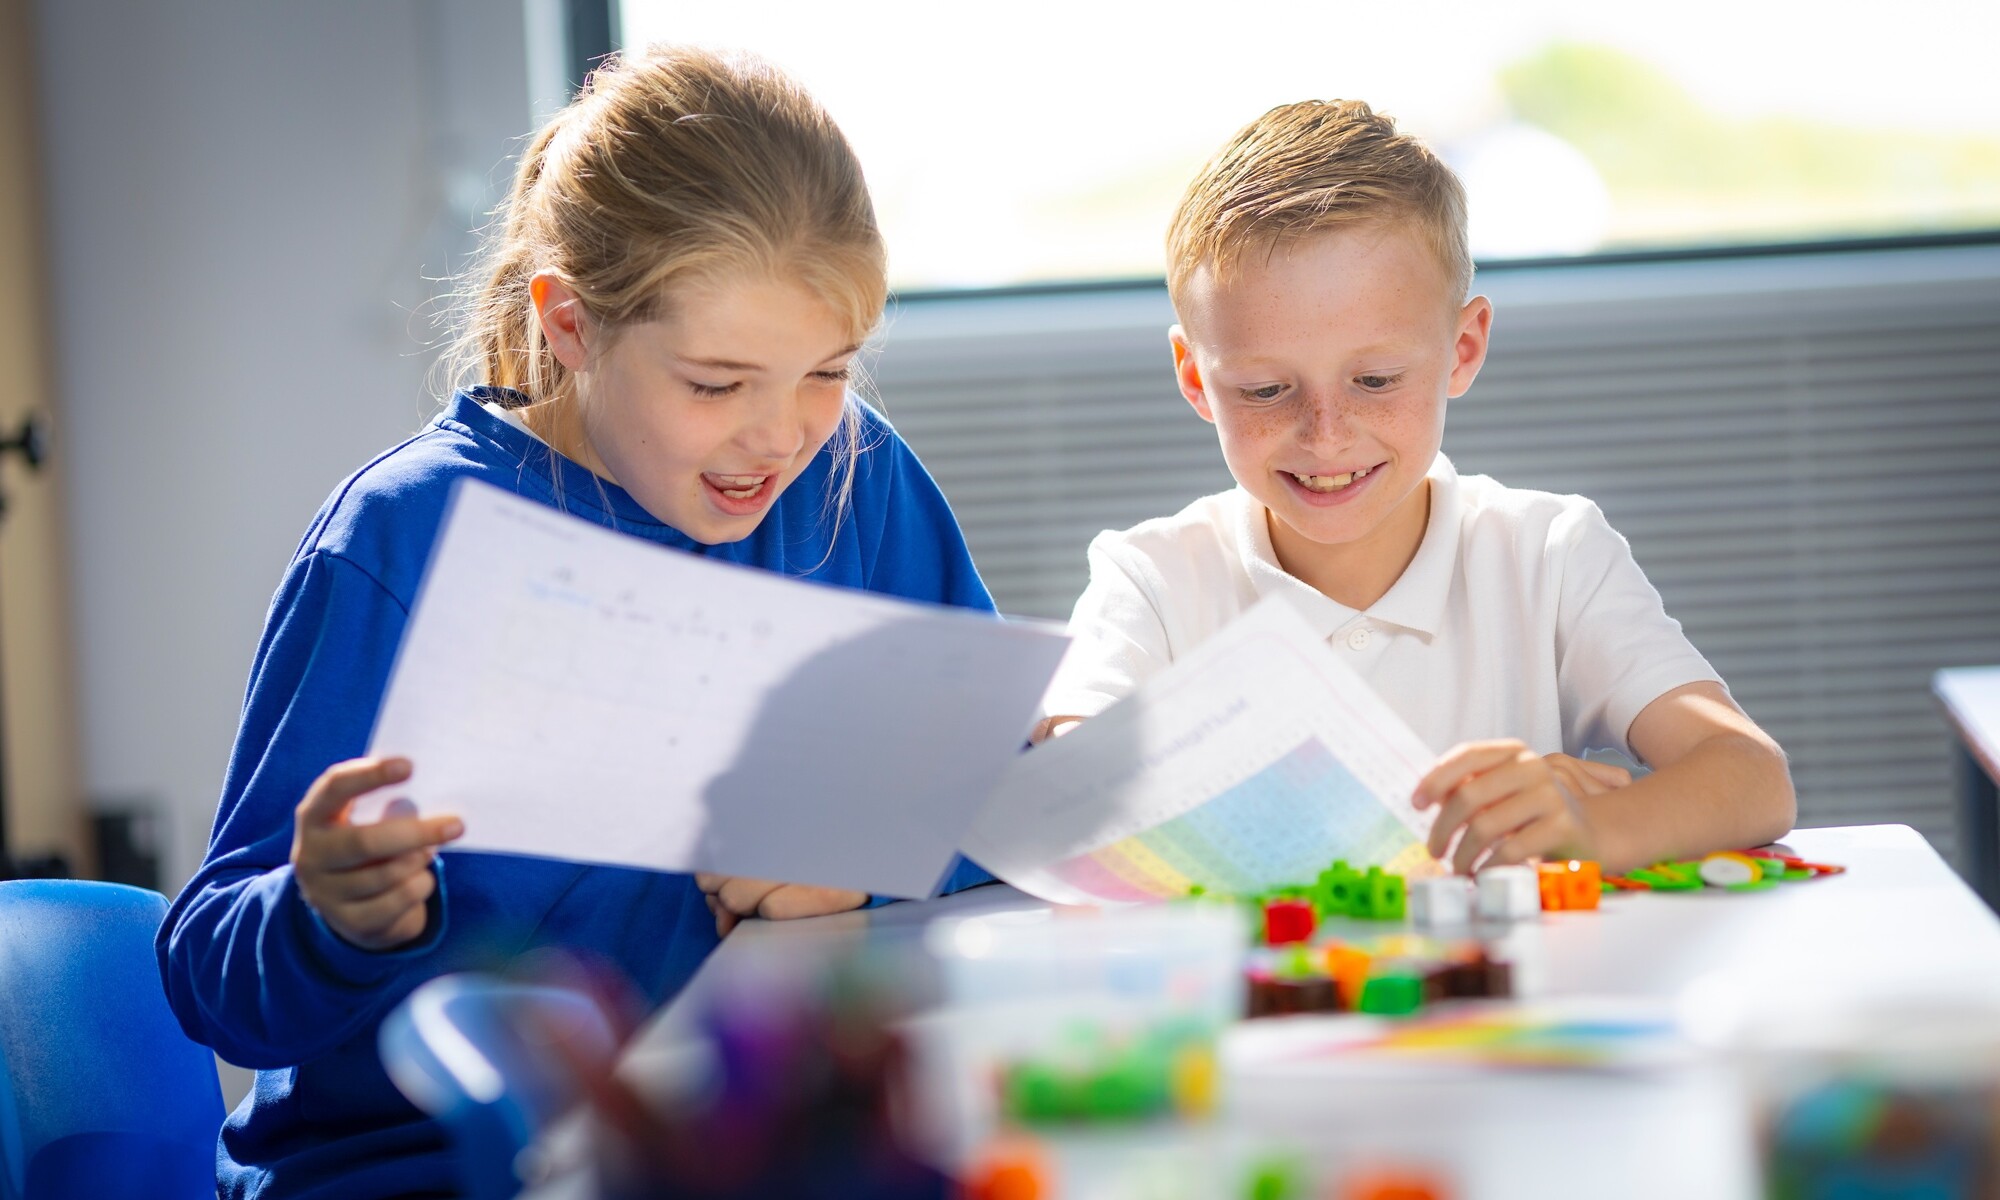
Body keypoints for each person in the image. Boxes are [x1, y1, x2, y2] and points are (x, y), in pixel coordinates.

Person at [157, 45, 993, 1199]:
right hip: (419, 1171)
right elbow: (212, 982)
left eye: (826, 372)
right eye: (714, 384)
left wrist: (861, 861)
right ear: (568, 324)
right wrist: (330, 915)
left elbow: (991, 793)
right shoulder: (405, 537)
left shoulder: (856, 480)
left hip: (740, 1137)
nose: (781, 435)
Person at [1038, 99, 1795, 875]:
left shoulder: (1550, 555)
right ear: (1196, 379)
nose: (1326, 433)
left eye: (1375, 380)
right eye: (1265, 390)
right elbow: (1071, 783)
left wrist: (1593, 827)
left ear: (1462, 348)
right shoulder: (1153, 579)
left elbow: (1750, 776)